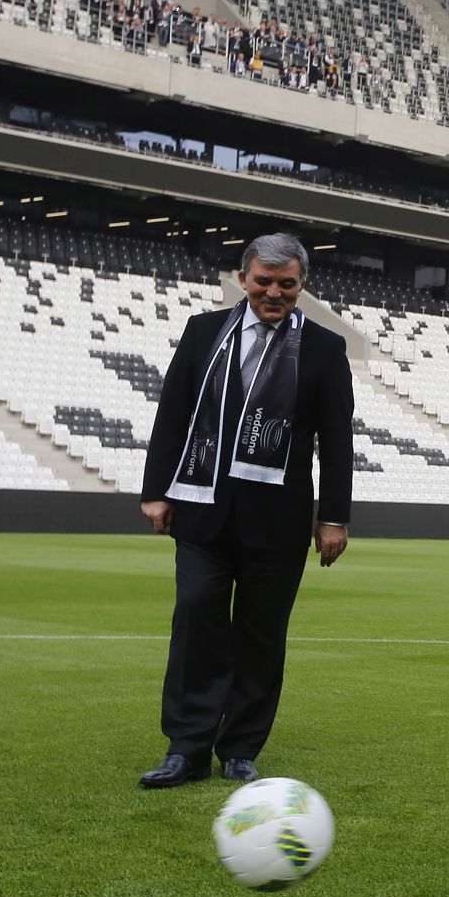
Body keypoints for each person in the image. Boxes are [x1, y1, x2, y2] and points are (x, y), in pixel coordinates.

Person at [137, 233, 355, 788]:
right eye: (264, 281)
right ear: (242, 279)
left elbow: (335, 439)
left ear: (302, 285)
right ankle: (186, 749)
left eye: (288, 284)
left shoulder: (325, 349)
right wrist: (156, 490)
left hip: (278, 521)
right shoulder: (203, 332)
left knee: (261, 636)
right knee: (194, 621)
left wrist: (333, 516)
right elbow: (173, 414)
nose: (274, 293)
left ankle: (240, 750)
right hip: (202, 510)